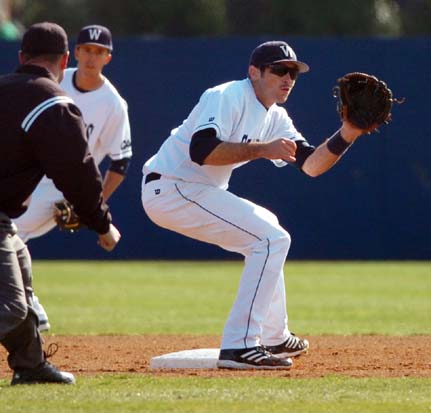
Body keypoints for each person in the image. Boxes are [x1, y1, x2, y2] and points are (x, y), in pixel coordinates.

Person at [141, 41, 370, 370]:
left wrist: (348, 134)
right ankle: (240, 346)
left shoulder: (276, 117)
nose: (287, 77)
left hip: (195, 191)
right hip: (172, 187)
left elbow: (311, 165)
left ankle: (275, 336)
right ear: (254, 72)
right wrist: (262, 149)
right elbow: (201, 150)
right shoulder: (227, 96)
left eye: (293, 72)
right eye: (279, 70)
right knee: (270, 239)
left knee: (269, 228)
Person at [0, 22, 121, 385]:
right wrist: (101, 223)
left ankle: (31, 365)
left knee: (20, 267)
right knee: (9, 306)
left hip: (4, 219)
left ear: (21, 57)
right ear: (66, 59)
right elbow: (78, 174)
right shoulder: (52, 102)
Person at [14, 24, 132, 332]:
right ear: (74, 54)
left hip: (63, 185)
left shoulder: (114, 105)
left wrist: (92, 206)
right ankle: (29, 307)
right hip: (30, 175)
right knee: (12, 235)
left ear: (108, 57)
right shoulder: (55, 81)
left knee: (10, 231)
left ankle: (28, 307)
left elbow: (121, 163)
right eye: (87, 50)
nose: (92, 57)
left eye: (99, 52)